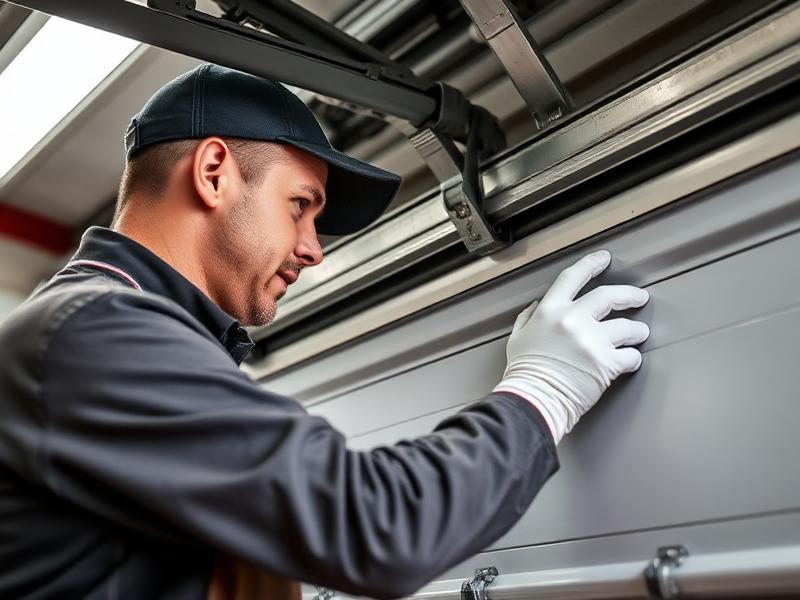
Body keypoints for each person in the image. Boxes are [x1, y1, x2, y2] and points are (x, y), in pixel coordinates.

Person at [0, 64, 650, 599]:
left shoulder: (116, 332)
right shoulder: (91, 329)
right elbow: (375, 525)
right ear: (213, 172)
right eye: (301, 206)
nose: (314, 251)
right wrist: (541, 393)